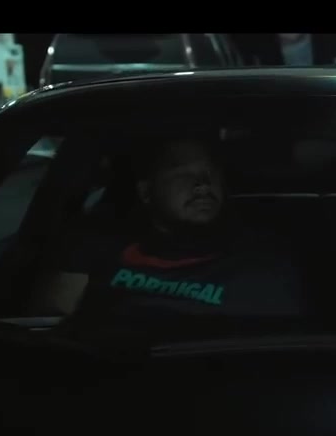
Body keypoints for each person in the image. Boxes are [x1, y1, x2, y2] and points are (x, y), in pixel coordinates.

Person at [29, 135, 308, 320]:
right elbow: (48, 328)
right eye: (182, 172)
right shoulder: (94, 249)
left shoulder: (262, 259)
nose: (203, 184)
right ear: (146, 191)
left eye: (210, 173)